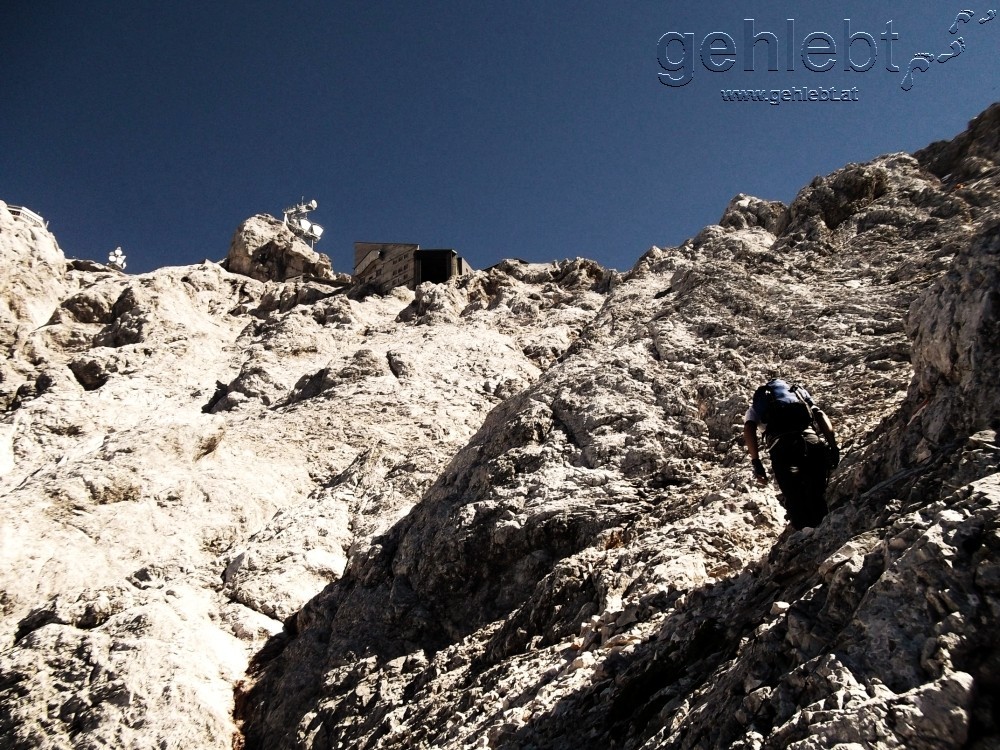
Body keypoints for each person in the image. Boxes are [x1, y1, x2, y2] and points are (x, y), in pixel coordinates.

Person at [744, 379, 840, 529]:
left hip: (782, 449)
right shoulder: (798, 393)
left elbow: (749, 428)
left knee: (795, 500)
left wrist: (756, 463)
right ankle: (826, 533)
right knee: (818, 494)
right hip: (811, 441)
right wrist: (833, 447)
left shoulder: (758, 406)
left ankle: (805, 540)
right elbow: (819, 414)